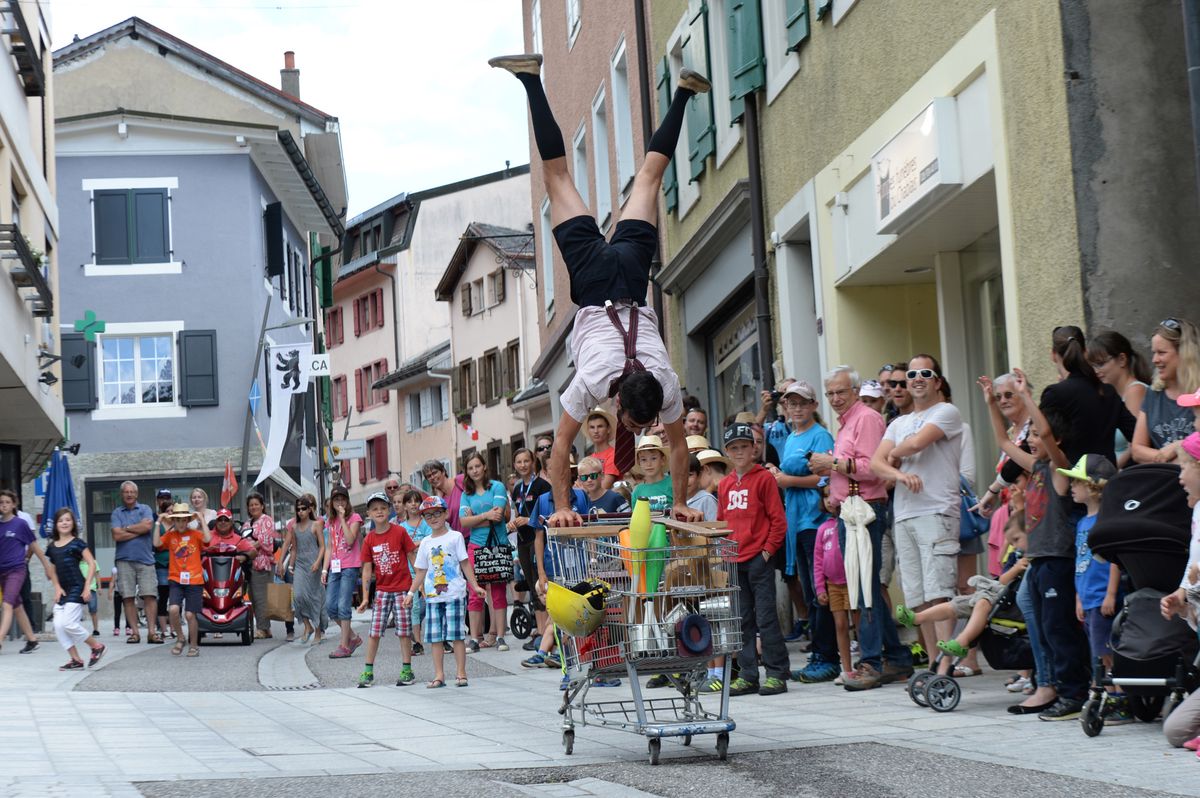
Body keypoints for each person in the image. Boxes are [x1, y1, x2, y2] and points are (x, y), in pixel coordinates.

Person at [490, 52, 705, 528]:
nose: (636, 428)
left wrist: (682, 497)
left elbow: (673, 445)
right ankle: (530, 80)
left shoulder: (665, 382)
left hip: (630, 277)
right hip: (594, 283)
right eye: (632, 422)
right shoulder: (591, 383)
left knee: (649, 176)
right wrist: (564, 507)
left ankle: (686, 91)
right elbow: (564, 445)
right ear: (622, 403)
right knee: (559, 177)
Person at [979, 368, 1091, 720]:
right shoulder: (1037, 468)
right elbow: (1004, 444)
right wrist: (991, 406)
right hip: (1039, 558)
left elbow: (1043, 430)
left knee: (1059, 629)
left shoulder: (1060, 470)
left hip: (1058, 558)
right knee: (1044, 626)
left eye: (1037, 438)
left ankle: (1073, 694)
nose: (1030, 440)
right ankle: (1056, 687)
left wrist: (1026, 394)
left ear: (1054, 440)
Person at [809, 366, 913, 690]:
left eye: (842, 391)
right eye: (831, 393)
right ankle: (895, 657)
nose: (836, 398)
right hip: (851, 509)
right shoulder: (847, 424)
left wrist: (832, 464)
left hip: (864, 508)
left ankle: (870, 662)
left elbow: (873, 468)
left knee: (863, 585)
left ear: (855, 391)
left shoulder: (866, 418)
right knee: (865, 583)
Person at [869, 356, 964, 680]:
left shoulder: (946, 412)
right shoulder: (897, 423)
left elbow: (917, 443)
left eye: (925, 373)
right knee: (917, 597)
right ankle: (934, 664)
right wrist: (895, 467)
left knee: (940, 591)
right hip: (905, 514)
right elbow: (874, 464)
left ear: (937, 381)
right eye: (912, 374)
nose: (917, 378)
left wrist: (894, 457)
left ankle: (948, 664)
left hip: (937, 510)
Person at [720, 422, 790, 697]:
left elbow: (778, 520)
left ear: (753, 449)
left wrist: (767, 552)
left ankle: (776, 672)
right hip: (734, 559)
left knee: (766, 617)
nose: (739, 452)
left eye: (744, 447)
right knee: (742, 618)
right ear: (727, 452)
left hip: (759, 558)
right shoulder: (725, 485)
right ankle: (748, 674)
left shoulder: (764, 479)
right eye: (733, 448)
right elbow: (722, 522)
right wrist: (724, 553)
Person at [765, 381, 833, 661]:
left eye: (802, 403)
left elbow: (827, 478)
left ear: (814, 406)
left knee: (820, 591)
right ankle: (819, 649)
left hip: (815, 521)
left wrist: (787, 480)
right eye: (791, 404)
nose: (797, 409)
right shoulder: (791, 437)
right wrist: (776, 474)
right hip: (795, 519)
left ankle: (826, 654)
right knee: (807, 589)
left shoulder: (821, 436)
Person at [1061, 454, 1131, 725]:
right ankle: (1108, 694)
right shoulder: (1082, 522)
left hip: (1103, 597)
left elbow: (1114, 559)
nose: (1071, 487)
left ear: (1094, 487)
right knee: (1098, 651)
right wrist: (1079, 597)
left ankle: (1120, 700)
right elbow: (1082, 561)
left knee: (1107, 652)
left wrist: (1111, 594)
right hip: (1088, 597)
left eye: (1076, 482)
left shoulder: (1106, 519)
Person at [409, 495, 487, 688]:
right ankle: (439, 675)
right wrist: (411, 593)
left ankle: (461, 673)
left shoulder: (455, 536)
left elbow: (465, 563)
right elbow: (420, 571)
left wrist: (475, 585)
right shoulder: (425, 542)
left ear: (446, 513)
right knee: (435, 637)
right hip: (433, 597)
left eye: (437, 513)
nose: (433, 518)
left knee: (457, 635)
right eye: (428, 516)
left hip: (454, 594)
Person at [1039, 324, 1134, 465]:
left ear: (1053, 355)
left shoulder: (1055, 394)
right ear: (1085, 352)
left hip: (1074, 481)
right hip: (1106, 479)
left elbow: (1038, 438)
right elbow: (1136, 433)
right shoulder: (1107, 391)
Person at [1161, 431, 1200, 747]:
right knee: (1175, 731)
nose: (1180, 477)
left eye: (1185, 467)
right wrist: (1183, 602)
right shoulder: (1197, 512)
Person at [355, 492, 418, 688]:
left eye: (383, 508)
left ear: (389, 509)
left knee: (404, 632)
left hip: (402, 589)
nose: (379, 511)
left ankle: (407, 670)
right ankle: (368, 671)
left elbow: (412, 557)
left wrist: (419, 585)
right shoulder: (369, 539)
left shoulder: (399, 532)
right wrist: (365, 597)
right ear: (369, 514)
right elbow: (366, 569)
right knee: (374, 632)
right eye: (375, 509)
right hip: (382, 590)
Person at [457, 452, 511, 653]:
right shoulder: (465, 494)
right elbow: (463, 522)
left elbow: (498, 516)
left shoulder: (497, 486)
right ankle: (474, 638)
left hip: (497, 544)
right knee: (475, 592)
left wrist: (477, 518)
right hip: (476, 546)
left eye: (477, 466)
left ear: (484, 467)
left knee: (497, 592)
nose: (474, 471)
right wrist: (486, 515)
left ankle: (500, 637)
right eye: (470, 468)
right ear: (467, 472)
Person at [44, 508, 106, 670]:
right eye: (61, 520)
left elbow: (92, 563)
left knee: (69, 623)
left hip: (77, 587)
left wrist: (87, 587)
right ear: (56, 525)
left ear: (73, 524)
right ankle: (76, 660)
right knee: (58, 625)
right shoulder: (52, 547)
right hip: (62, 591)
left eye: (67, 520)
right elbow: (51, 570)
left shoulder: (78, 543)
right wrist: (56, 587)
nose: (64, 523)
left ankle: (96, 646)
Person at [1132, 317, 1200, 463]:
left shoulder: (1197, 394)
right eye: (1154, 352)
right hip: (1164, 479)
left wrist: (1179, 446)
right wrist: (1165, 457)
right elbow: (1137, 450)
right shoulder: (1153, 393)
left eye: (1161, 352)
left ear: (1184, 353)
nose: (1154, 359)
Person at [153, 502, 211, 657]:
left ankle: (194, 646)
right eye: (177, 520)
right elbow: (156, 543)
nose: (180, 522)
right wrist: (158, 522)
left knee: (190, 615)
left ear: (187, 520)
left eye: (183, 519)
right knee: (173, 609)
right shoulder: (171, 535)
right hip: (176, 579)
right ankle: (180, 638)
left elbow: (207, 538)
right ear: (174, 521)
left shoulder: (195, 534)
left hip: (194, 580)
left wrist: (201, 519)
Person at [508, 448, 551, 653]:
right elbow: (519, 511)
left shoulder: (542, 486)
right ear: (514, 465)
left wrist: (528, 520)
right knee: (532, 587)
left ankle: (545, 634)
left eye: (526, 461)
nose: (523, 465)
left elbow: (546, 514)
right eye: (519, 462)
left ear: (533, 462)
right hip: (523, 540)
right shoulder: (517, 489)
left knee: (540, 583)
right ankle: (540, 631)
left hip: (538, 538)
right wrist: (515, 523)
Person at [1088, 330, 1151, 467]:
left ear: (1122, 359)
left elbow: (1134, 445)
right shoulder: (1112, 394)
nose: (1096, 371)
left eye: (1100, 363)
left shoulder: (1135, 391)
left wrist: (1108, 471)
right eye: (1092, 366)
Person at [110, 481, 161, 644]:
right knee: (128, 597)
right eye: (126, 492)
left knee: (150, 595)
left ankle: (152, 632)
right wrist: (137, 530)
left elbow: (147, 527)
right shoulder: (116, 513)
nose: (129, 494)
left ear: (137, 494)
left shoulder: (145, 509)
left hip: (146, 559)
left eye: (132, 492)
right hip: (124, 560)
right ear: (122, 494)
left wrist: (126, 528)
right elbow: (116, 536)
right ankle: (135, 633)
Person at [279, 494, 327, 646]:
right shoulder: (293, 527)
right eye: (298, 509)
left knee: (314, 597)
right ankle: (307, 626)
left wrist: (318, 562)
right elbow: (293, 549)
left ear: (309, 509)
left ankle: (318, 631)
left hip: (314, 564)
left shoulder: (317, 524)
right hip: (300, 564)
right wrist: (285, 564)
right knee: (298, 596)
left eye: (303, 508)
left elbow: (322, 546)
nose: (300, 511)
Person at [812, 516, 854, 684]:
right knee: (840, 625)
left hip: (851, 582)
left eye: (831, 495)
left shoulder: (849, 522)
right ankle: (847, 670)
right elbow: (818, 561)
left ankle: (865, 664)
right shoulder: (823, 528)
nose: (829, 500)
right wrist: (820, 588)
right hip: (833, 585)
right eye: (825, 496)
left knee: (859, 624)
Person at [323, 486, 363, 658]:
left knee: (343, 606)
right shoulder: (330, 521)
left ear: (347, 501)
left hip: (350, 566)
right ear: (332, 503)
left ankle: (344, 645)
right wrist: (325, 569)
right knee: (331, 607)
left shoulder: (354, 518)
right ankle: (353, 637)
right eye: (336, 500)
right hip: (335, 566)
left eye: (342, 499)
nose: (340, 502)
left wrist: (342, 517)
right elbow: (329, 547)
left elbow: (349, 539)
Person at [396, 489, 432, 655]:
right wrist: (418, 543)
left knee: (431, 604)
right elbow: (401, 547)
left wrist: (414, 543)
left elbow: (430, 541)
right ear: (404, 506)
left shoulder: (426, 523)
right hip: (410, 570)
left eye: (416, 501)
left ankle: (442, 639)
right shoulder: (401, 527)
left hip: (429, 569)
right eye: (409, 501)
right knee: (415, 607)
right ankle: (417, 642)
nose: (413, 504)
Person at [242, 493, 276, 640]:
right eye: (251, 505)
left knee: (261, 597)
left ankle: (262, 628)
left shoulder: (266, 520)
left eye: (256, 504)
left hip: (262, 564)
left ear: (262, 505)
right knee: (254, 596)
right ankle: (265, 628)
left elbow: (264, 541)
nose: (253, 507)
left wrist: (248, 548)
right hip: (249, 564)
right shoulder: (246, 523)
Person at [150, 488, 175, 641]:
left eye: (173, 511)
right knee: (163, 595)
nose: (171, 513)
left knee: (175, 598)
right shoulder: (157, 524)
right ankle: (164, 630)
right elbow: (157, 545)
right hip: (161, 564)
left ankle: (174, 629)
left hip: (176, 564)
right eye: (168, 511)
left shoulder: (179, 524)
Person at [631, 435, 672, 512]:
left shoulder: (673, 484)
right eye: (643, 459)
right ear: (639, 462)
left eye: (653, 458)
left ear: (662, 460)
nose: (649, 464)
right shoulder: (637, 491)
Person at [422, 460, 465, 531]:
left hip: (477, 534)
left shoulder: (460, 480)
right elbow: (440, 523)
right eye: (429, 476)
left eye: (434, 473)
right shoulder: (436, 499)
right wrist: (439, 498)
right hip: (458, 538)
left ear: (443, 471)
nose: (432, 477)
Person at [584, 408, 620, 489]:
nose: (596, 431)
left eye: (600, 426)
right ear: (588, 431)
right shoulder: (589, 458)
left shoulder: (614, 455)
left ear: (608, 429)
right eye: (592, 427)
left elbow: (604, 487)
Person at [685, 455, 718, 521]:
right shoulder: (675, 500)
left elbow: (716, 528)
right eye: (679, 476)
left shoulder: (707, 500)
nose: (684, 480)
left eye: (689, 475)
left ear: (699, 476)